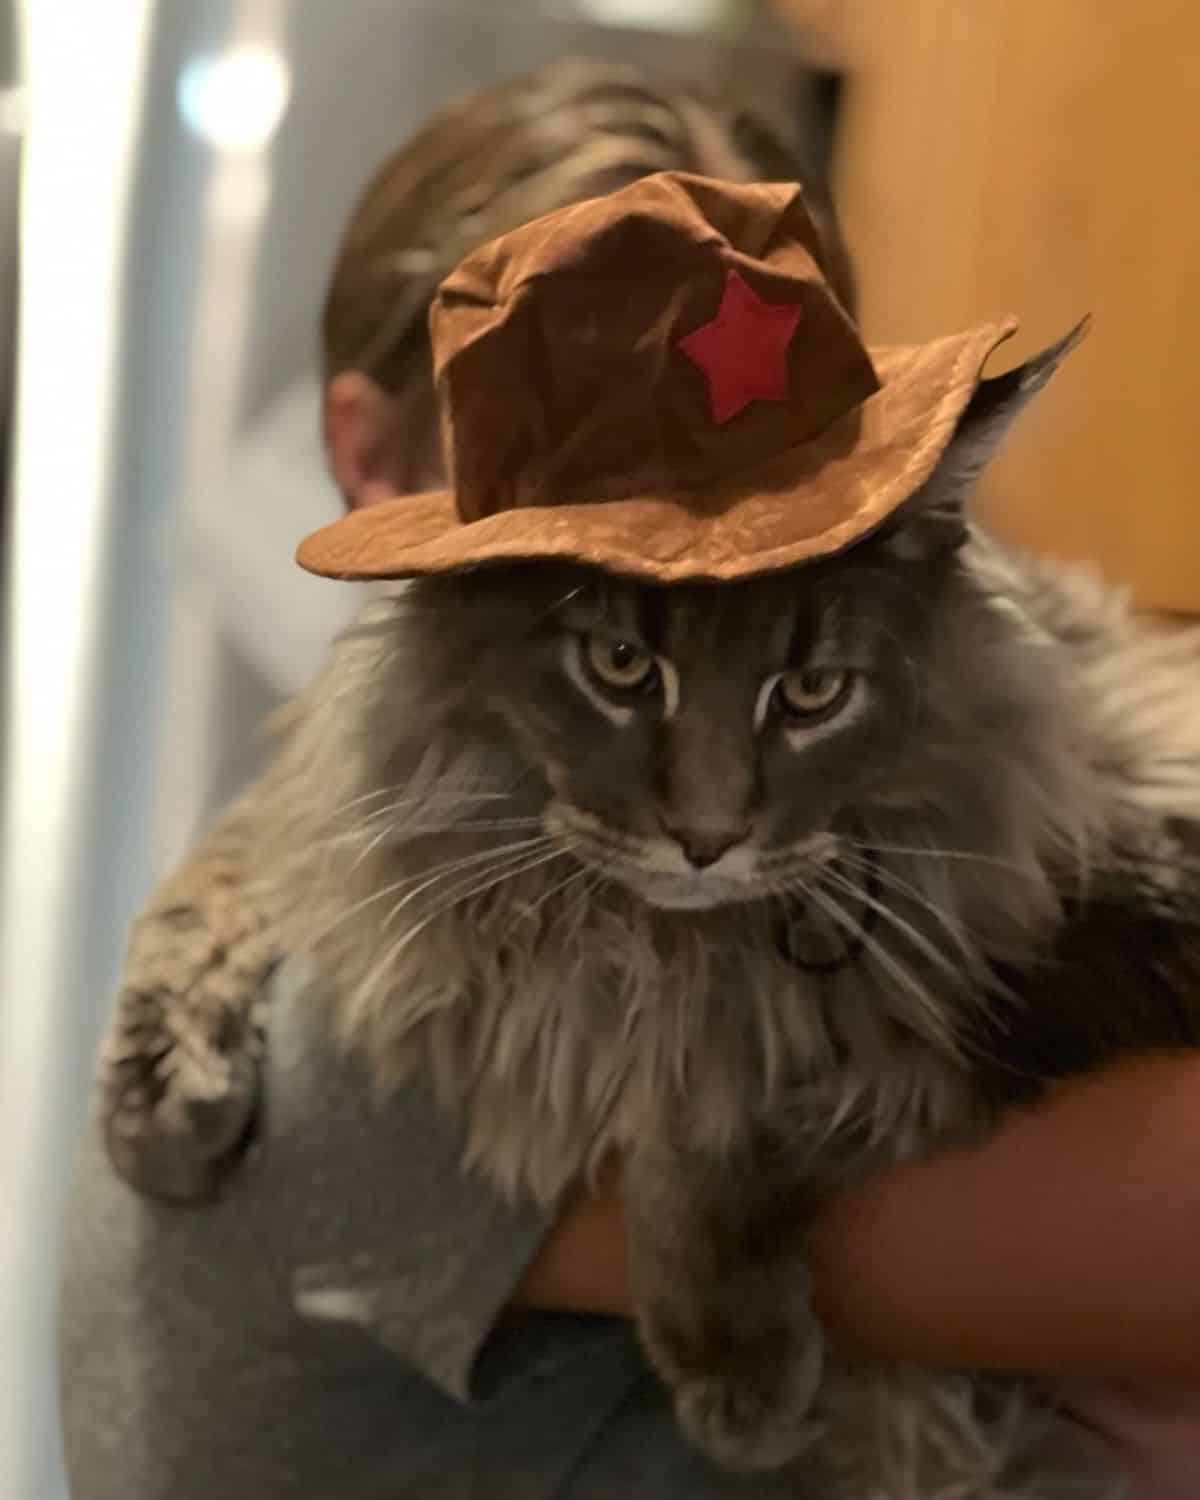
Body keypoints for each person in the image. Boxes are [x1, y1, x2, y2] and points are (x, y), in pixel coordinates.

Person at [60, 55, 1200, 1500]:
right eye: (624, 578)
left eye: (779, 505)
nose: (706, 825)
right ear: (382, 465)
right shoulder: (370, 1053)